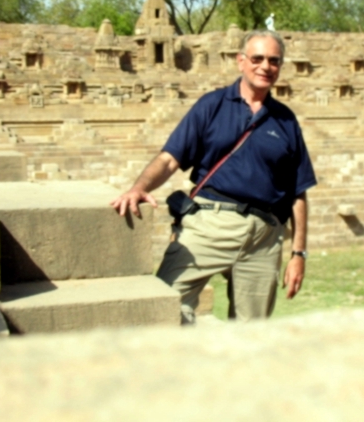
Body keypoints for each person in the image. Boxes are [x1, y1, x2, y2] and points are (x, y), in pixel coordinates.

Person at [111, 29, 316, 324]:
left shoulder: (285, 120)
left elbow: (298, 191)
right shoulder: (213, 105)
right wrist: (138, 187)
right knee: (163, 310)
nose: (265, 67)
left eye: (274, 60)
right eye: (257, 58)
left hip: (264, 235)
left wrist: (299, 254)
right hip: (210, 222)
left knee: (251, 333)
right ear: (240, 62)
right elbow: (170, 158)